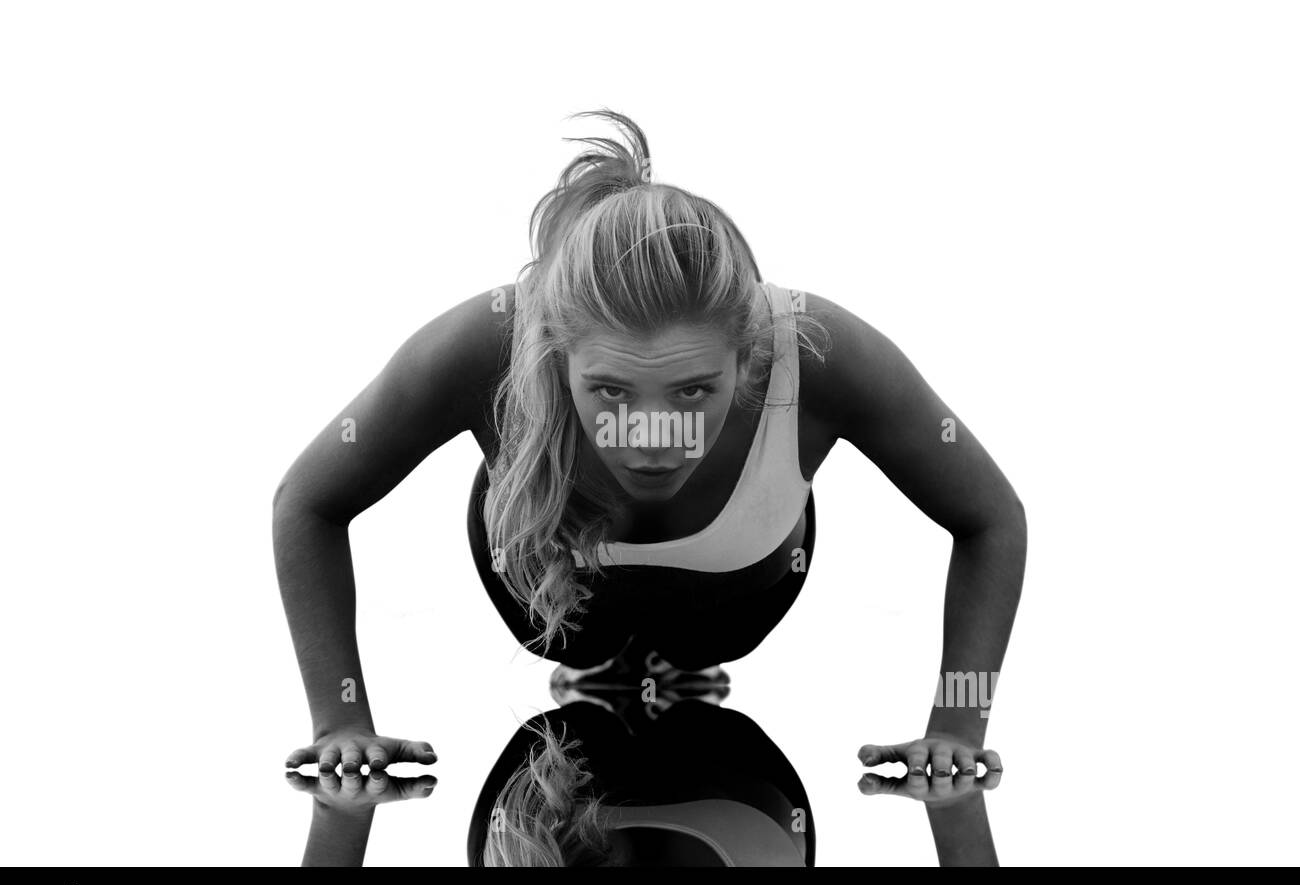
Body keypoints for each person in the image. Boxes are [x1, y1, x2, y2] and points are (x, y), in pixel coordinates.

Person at [274, 110, 1026, 821]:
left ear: (751, 351)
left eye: (695, 389)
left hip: (739, 602)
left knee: (700, 654)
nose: (651, 439)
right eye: (609, 390)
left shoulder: (820, 349)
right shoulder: (483, 343)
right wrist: (341, 718)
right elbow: (308, 501)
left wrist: (958, 726)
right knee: (582, 650)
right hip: (547, 606)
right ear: (553, 351)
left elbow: (990, 517)